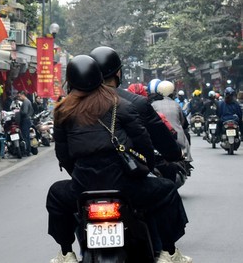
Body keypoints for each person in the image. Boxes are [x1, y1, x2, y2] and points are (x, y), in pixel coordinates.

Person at [46, 55, 190, 263]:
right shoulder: (120, 105)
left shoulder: (62, 111)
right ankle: (169, 252)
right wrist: (143, 170)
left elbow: (64, 156)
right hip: (127, 186)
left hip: (82, 187)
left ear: (69, 81)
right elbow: (145, 146)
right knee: (167, 189)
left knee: (55, 194)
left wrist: (81, 178)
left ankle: (66, 253)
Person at [149, 80, 192, 162]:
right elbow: (183, 123)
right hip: (177, 141)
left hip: (158, 141)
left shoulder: (152, 104)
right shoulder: (176, 104)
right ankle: (186, 159)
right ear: (172, 93)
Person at [17, 92, 34, 156]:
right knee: (26, 135)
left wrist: (19, 111)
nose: (19, 98)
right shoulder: (27, 101)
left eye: (19, 96)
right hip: (27, 120)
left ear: (23, 95)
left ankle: (27, 151)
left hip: (25, 120)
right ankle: (27, 150)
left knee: (25, 136)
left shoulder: (26, 102)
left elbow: (24, 112)